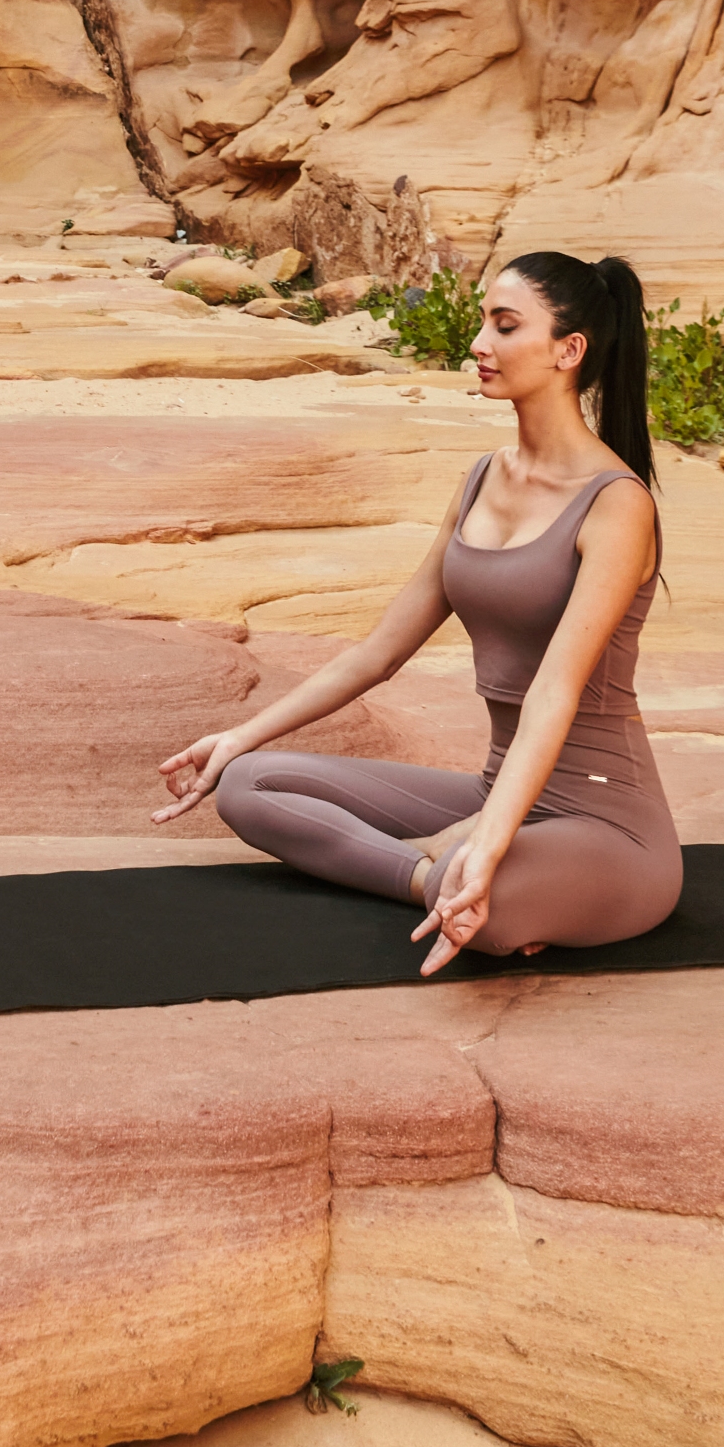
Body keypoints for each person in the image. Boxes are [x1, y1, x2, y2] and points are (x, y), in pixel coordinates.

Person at [154, 252, 673, 976]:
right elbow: (378, 654)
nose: (478, 345)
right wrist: (237, 736)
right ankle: (431, 875)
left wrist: (488, 840)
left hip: (605, 824)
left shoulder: (616, 505)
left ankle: (459, 869)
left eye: (504, 325)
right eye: (483, 322)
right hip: (497, 787)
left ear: (569, 349)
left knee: (490, 896)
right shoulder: (482, 480)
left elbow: (555, 691)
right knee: (249, 784)